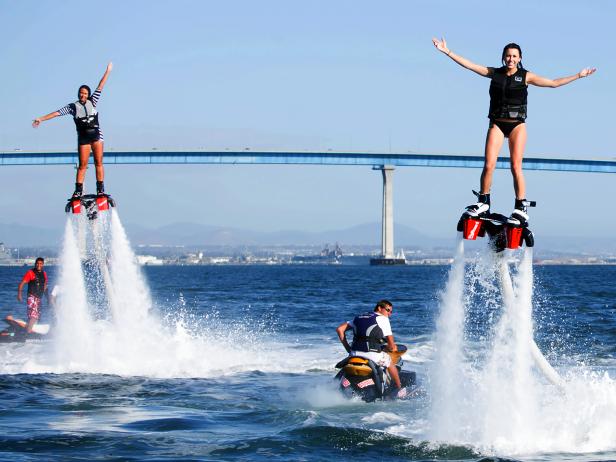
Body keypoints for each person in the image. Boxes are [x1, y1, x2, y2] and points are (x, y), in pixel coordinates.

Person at [432, 38, 596, 225]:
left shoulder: (526, 76)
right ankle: (484, 201)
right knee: (488, 165)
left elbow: (553, 83)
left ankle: (520, 206)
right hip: (497, 124)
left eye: (514, 56)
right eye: (508, 56)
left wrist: (579, 75)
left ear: (520, 58)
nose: (511, 59)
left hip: (517, 125)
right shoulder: (494, 73)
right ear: (503, 57)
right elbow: (470, 65)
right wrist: (447, 51)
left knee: (515, 167)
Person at [32, 62, 113, 198]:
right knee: (82, 165)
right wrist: (41, 118)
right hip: (83, 139)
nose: (83, 95)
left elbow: (101, 85)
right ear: (78, 93)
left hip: (96, 136)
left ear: (88, 95)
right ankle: (78, 191)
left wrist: (108, 71)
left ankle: (100, 189)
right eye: (81, 93)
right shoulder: (72, 107)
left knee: (98, 163)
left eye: (85, 93)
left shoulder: (93, 101)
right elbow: (56, 113)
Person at [336, 300, 407, 398]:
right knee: (389, 362)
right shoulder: (383, 319)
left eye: (391, 311)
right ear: (379, 308)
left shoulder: (358, 317)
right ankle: (400, 389)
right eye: (388, 310)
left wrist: (348, 348)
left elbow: (339, 329)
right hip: (372, 355)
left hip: (354, 354)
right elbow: (391, 345)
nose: (389, 314)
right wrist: (390, 348)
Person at [16, 257, 48, 333]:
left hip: (39, 298)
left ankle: (29, 330)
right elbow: (22, 284)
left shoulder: (44, 274)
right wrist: (19, 294)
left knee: (37, 316)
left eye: (40, 263)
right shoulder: (30, 273)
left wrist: (48, 298)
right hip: (32, 297)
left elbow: (45, 286)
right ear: (35, 264)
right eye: (37, 263)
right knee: (33, 316)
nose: (38, 265)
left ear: (43, 264)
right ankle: (28, 334)